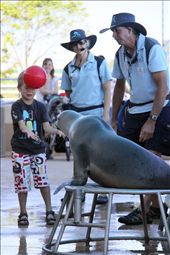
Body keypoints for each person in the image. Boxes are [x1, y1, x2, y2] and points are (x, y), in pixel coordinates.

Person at [100, 13, 170, 224]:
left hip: (160, 107)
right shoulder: (120, 54)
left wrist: (153, 119)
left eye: (117, 30)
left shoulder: (151, 48)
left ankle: (143, 209)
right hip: (134, 110)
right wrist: (113, 118)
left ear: (130, 29)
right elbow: (119, 86)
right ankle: (157, 208)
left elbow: (162, 87)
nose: (114, 35)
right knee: (134, 160)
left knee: (152, 157)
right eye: (112, 31)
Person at [60, 29, 112, 204]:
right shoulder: (68, 68)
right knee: (78, 151)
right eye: (75, 44)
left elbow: (107, 88)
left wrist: (106, 114)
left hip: (97, 112)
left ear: (87, 44)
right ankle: (79, 190)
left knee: (101, 151)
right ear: (72, 47)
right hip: (77, 115)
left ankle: (104, 191)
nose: (79, 46)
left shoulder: (99, 62)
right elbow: (68, 92)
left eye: (82, 42)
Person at [11, 71, 64, 226]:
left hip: (38, 150)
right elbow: (21, 124)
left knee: (42, 181)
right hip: (20, 151)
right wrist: (27, 131)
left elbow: (46, 127)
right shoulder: (17, 106)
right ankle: (23, 212)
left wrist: (56, 130)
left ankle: (49, 210)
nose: (29, 91)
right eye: (26, 87)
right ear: (19, 88)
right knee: (22, 183)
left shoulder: (40, 106)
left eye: (33, 88)